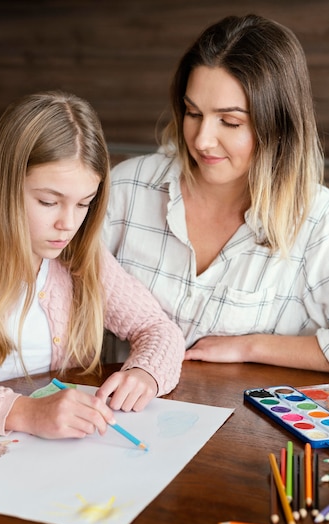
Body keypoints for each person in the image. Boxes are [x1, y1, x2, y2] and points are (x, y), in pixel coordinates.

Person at [0, 91, 184, 439]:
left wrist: (146, 372)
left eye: (83, 203)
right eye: (48, 201)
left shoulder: (80, 252)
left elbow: (158, 329)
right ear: (5, 186)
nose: (68, 224)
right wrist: (25, 412)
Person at [103, 14, 329, 372]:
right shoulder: (128, 188)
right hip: (119, 417)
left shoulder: (318, 221)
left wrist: (251, 346)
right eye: (193, 113)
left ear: (278, 124)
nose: (202, 140)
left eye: (230, 121)